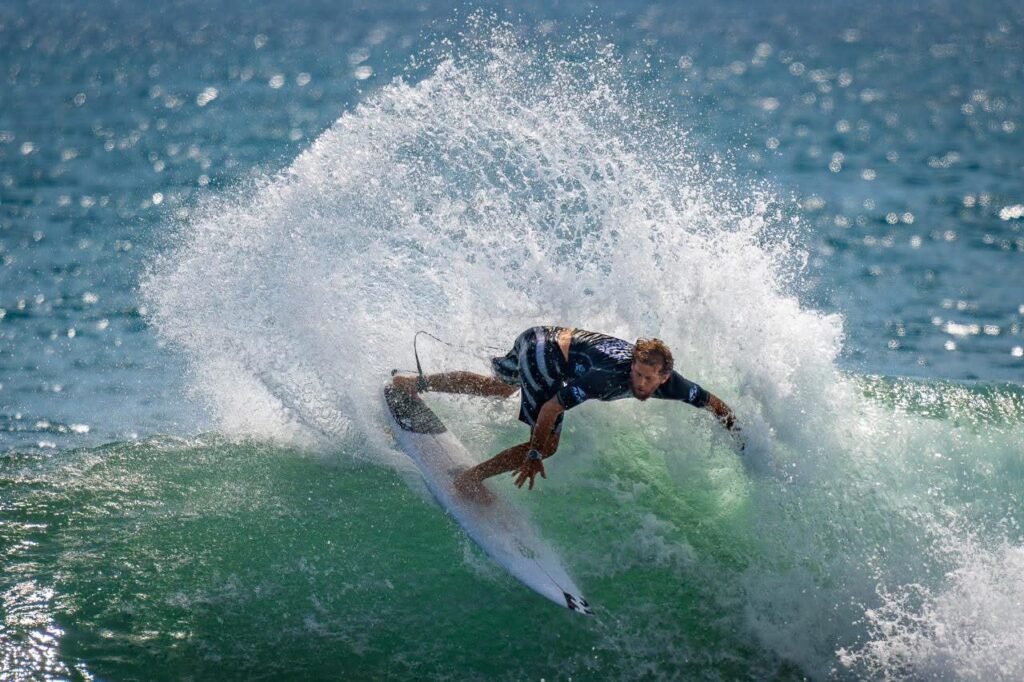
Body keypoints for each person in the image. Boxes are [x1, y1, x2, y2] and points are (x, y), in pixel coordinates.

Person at [392, 326, 740, 503]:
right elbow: (550, 407)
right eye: (637, 374)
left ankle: (413, 383)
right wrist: (532, 452)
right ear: (632, 365)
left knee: (500, 387)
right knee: (547, 445)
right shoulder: (606, 377)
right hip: (544, 354)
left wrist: (737, 433)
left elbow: (713, 402)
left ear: (665, 377)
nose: (641, 384)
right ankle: (469, 479)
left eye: (650, 379)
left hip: (538, 334)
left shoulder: (676, 385)